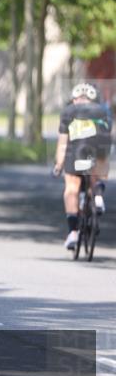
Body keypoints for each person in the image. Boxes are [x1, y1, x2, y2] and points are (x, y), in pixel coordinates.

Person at [53, 82, 112, 251]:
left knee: (71, 188)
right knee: (99, 163)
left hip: (76, 151)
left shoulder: (68, 111)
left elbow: (63, 143)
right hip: (99, 149)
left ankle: (72, 232)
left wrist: (58, 165)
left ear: (74, 99)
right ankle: (98, 196)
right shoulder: (103, 110)